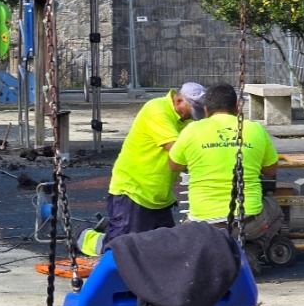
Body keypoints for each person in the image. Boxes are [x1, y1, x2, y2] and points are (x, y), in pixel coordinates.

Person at [77, 82, 206, 257]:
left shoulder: (187, 121)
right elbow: (175, 149)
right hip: (133, 191)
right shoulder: (157, 110)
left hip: (158, 197)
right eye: (190, 109)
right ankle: (84, 237)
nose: (192, 116)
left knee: (164, 250)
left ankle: (116, 226)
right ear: (178, 99)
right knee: (119, 250)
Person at [167, 82, 282, 250]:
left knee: (186, 231)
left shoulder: (192, 130)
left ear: (206, 110)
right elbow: (271, 170)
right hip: (248, 223)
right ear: (237, 108)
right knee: (275, 208)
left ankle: (214, 252)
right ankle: (255, 248)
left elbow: (174, 165)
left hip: (204, 226)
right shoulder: (255, 129)